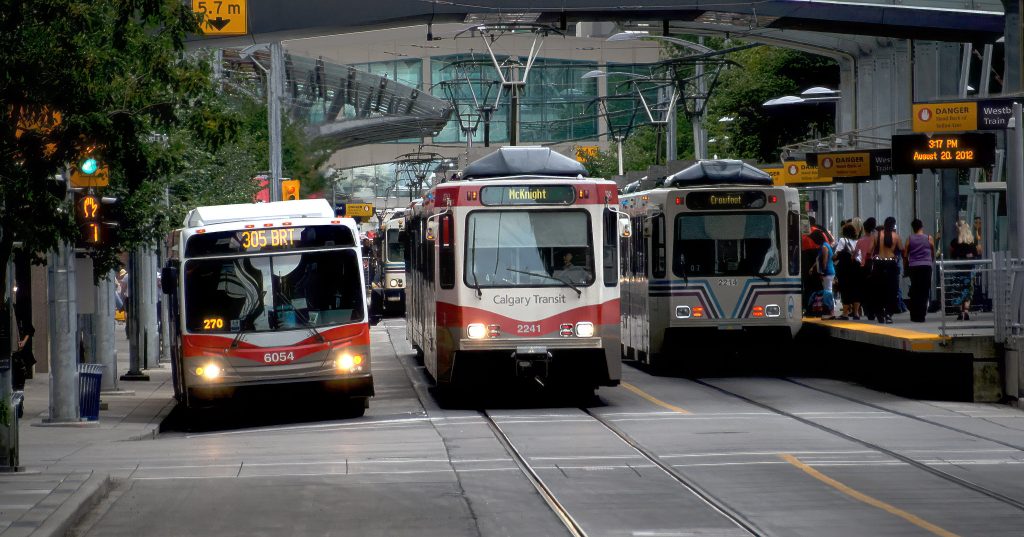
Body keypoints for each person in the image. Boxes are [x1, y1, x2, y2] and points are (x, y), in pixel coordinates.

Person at [871, 216, 902, 324]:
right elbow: (901, 250)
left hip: (879, 264)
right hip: (891, 264)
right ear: (893, 225)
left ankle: (879, 313)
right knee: (892, 290)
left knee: (878, 290)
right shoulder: (896, 237)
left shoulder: (876, 236)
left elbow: (870, 251)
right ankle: (889, 314)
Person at [903, 219, 935, 322]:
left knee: (915, 290)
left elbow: (905, 255)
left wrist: (906, 266)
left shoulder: (909, 239)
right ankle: (921, 315)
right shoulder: (929, 238)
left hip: (914, 267)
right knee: (924, 291)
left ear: (913, 228)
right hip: (926, 266)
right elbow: (933, 251)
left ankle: (914, 315)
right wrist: (930, 260)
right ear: (922, 226)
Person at [950, 219, 981, 320]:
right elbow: (976, 254)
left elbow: (952, 255)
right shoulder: (971, 242)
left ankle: (960, 312)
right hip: (970, 270)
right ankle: (966, 311)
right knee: (968, 290)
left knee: (959, 289)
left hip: (959, 270)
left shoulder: (954, 243)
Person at [834, 224, 861, 320]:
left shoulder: (843, 240)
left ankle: (845, 313)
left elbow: (837, 253)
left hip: (845, 268)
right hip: (857, 267)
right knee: (856, 289)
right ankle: (856, 313)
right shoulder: (857, 241)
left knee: (845, 289)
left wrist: (833, 257)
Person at [808, 229, 836, 319]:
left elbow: (824, 261)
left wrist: (822, 272)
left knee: (828, 292)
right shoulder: (824, 245)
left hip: (827, 272)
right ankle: (830, 311)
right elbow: (819, 259)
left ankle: (831, 312)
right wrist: (813, 267)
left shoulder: (824, 247)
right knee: (828, 291)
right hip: (828, 272)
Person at [854, 217, 877, 319]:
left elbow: (855, 254)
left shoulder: (860, 241)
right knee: (873, 289)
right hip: (875, 265)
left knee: (864, 289)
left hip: (863, 266)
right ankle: (874, 310)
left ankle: (867, 310)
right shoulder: (876, 239)